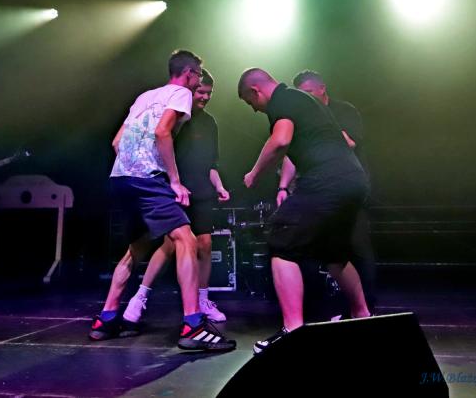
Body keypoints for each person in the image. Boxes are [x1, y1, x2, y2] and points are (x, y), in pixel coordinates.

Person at [90, 50, 235, 352]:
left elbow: (117, 142)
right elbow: (162, 131)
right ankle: (194, 325)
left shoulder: (145, 97)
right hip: (148, 179)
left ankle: (106, 319)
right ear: (189, 73)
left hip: (121, 178)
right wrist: (174, 181)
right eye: (198, 75)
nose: (198, 83)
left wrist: (132, 168)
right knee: (187, 240)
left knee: (137, 248)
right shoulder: (180, 93)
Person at [237, 68, 372, 354]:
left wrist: (254, 173)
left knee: (280, 242)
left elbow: (280, 141)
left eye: (251, 103)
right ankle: (363, 317)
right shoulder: (303, 101)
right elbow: (295, 152)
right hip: (353, 179)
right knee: (335, 253)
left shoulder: (282, 100)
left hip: (327, 180)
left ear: (255, 91)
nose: (255, 110)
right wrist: (284, 186)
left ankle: (293, 330)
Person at [117, 69, 231, 326]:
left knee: (205, 244)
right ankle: (140, 296)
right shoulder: (177, 114)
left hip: (201, 189)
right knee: (170, 244)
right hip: (175, 187)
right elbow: (160, 144)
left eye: (209, 93)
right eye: (201, 91)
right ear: (191, 89)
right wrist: (172, 182)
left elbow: (211, 164)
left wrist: (219, 186)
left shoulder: (210, 123)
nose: (205, 97)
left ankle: (203, 300)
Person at [291, 69, 377, 312]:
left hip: (349, 188)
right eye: (301, 95)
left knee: (357, 247)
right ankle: (322, 307)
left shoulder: (344, 111)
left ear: (322, 89)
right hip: (320, 189)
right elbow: (291, 154)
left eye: (309, 92)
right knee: (320, 249)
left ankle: (366, 308)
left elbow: (350, 142)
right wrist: (284, 186)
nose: (306, 98)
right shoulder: (302, 118)